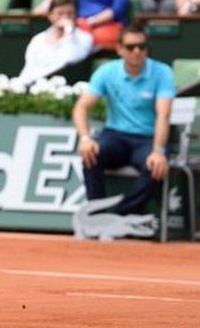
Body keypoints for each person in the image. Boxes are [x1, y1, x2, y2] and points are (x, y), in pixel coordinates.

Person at [72, 23, 176, 216]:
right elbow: (81, 107)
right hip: (116, 136)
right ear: (119, 49)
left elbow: (164, 115)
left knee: (155, 164)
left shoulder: (163, 73)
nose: (137, 51)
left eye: (142, 47)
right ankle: (97, 214)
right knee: (90, 155)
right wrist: (85, 138)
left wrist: (158, 150)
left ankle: (122, 216)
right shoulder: (106, 72)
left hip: (148, 139)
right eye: (130, 47)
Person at [19, 0, 93, 84]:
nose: (65, 17)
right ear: (50, 15)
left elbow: (68, 59)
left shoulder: (85, 38)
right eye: (60, 13)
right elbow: (29, 67)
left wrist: (68, 31)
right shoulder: (38, 39)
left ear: (76, 16)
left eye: (70, 14)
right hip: (33, 84)